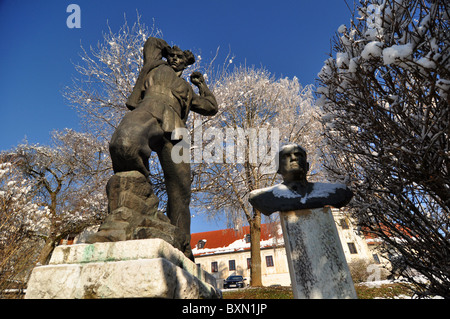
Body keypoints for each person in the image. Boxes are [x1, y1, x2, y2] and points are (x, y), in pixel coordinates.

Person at [109, 37, 218, 260]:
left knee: (181, 189)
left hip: (176, 130)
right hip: (148, 110)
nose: (176, 60)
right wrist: (169, 49)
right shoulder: (155, 65)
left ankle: (183, 246)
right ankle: (137, 203)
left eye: (181, 58)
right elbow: (152, 42)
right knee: (123, 144)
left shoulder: (187, 89)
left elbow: (211, 107)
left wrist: (202, 85)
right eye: (174, 56)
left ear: (186, 65)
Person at [249, 144, 353, 215]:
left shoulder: (337, 192)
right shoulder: (263, 197)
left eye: (298, 155)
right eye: (287, 156)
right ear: (278, 169)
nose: (294, 158)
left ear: (307, 166)